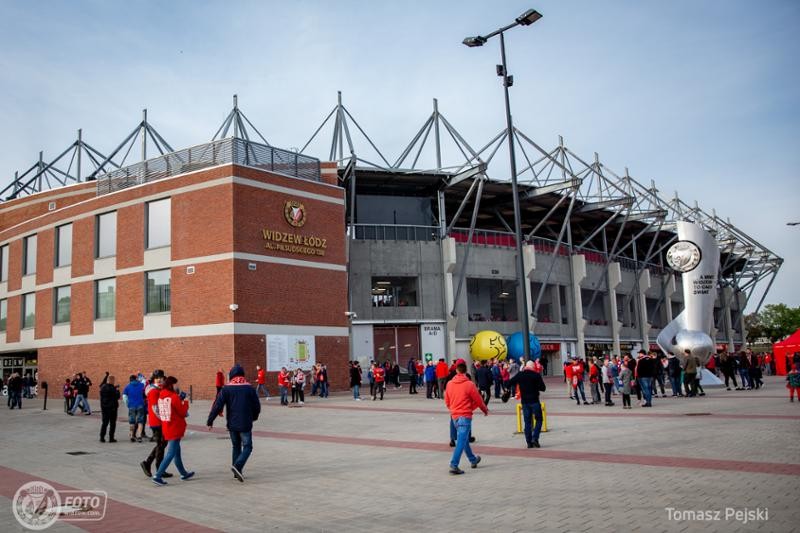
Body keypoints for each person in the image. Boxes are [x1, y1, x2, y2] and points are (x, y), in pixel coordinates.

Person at [207, 364, 261, 482]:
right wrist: (254, 416)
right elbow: (257, 406)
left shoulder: (226, 389)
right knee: (247, 446)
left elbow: (217, 405)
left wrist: (210, 420)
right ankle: (237, 466)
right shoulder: (249, 388)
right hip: (245, 423)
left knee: (236, 446)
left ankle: (237, 472)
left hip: (232, 424)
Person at [445, 359, 488, 474]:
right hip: (465, 415)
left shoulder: (449, 384)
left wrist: (453, 410)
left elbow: (447, 401)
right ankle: (454, 465)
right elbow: (478, 400)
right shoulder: (469, 384)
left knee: (463, 440)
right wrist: (485, 410)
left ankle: (473, 459)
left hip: (455, 417)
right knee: (461, 441)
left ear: (456, 369)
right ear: (466, 369)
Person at [152, 376, 195, 486]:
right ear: (172, 385)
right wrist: (185, 402)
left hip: (167, 426)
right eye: (176, 384)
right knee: (171, 453)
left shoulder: (162, 395)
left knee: (177, 452)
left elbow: (171, 407)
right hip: (175, 428)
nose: (178, 386)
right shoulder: (174, 396)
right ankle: (158, 475)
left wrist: (179, 399)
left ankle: (183, 473)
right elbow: (182, 412)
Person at [140, 370, 173, 479]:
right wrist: (165, 418)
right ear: (154, 379)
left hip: (160, 421)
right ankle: (158, 468)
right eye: (157, 378)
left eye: (161, 378)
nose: (159, 380)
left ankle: (149, 464)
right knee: (161, 444)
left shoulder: (158, 389)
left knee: (162, 444)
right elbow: (155, 409)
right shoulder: (153, 391)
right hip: (157, 422)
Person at [507, 360, 546, 448]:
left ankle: (529, 442)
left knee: (527, 422)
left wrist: (508, 389)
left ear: (526, 366)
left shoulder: (520, 375)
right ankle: (535, 438)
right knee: (539, 419)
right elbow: (543, 388)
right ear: (533, 367)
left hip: (525, 402)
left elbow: (509, 383)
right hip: (535, 401)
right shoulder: (536, 375)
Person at [123, 374, 147, 442]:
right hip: (140, 405)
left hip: (131, 406)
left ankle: (131, 436)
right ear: (136, 379)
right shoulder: (141, 385)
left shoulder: (127, 387)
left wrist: (128, 404)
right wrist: (140, 375)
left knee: (132, 422)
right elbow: (144, 380)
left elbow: (124, 397)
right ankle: (139, 436)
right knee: (140, 421)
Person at [99, 372, 120, 443]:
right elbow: (117, 396)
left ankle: (102, 437)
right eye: (113, 380)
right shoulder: (113, 389)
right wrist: (117, 390)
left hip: (104, 408)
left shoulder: (103, 387)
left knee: (104, 423)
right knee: (112, 423)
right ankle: (111, 438)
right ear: (112, 380)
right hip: (112, 408)